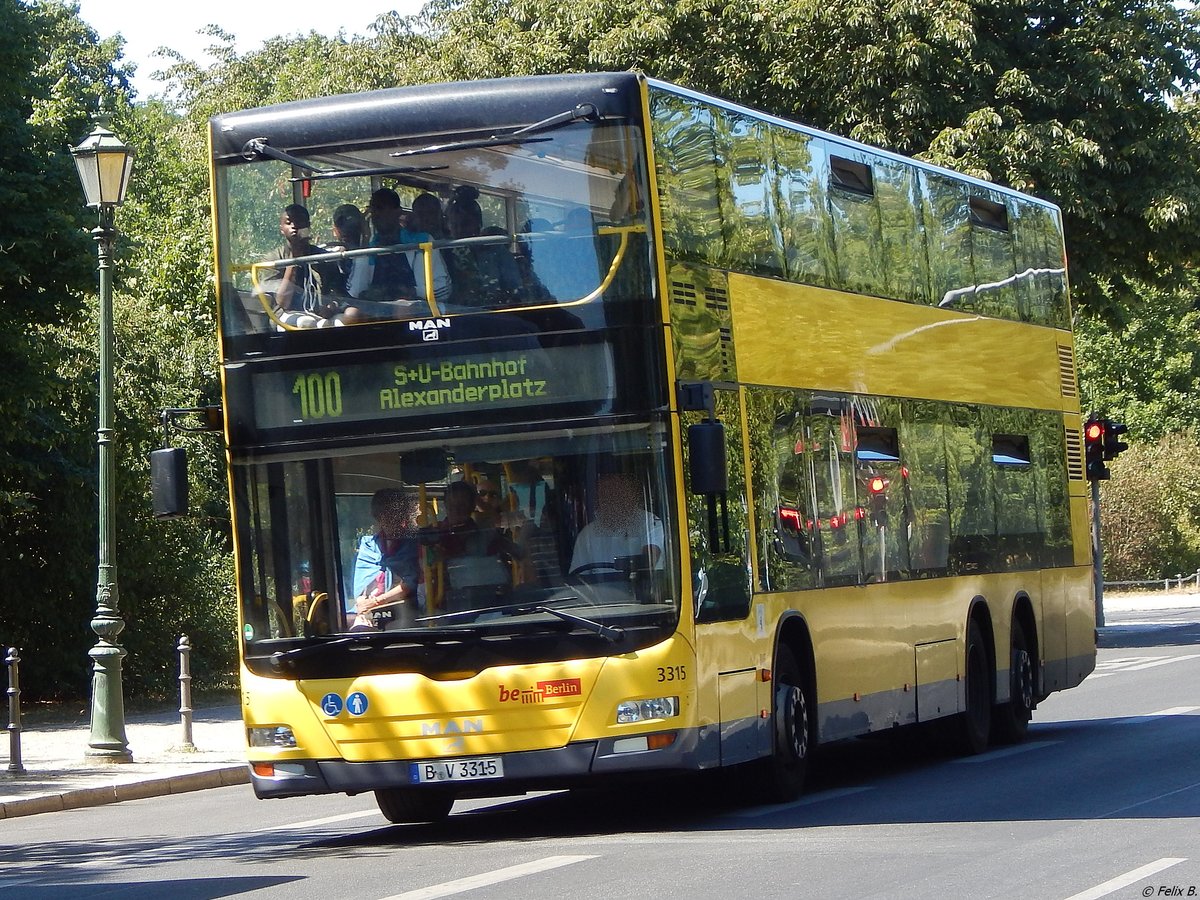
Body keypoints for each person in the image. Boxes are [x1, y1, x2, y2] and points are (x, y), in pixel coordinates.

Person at [259, 204, 350, 328]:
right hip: (284, 315)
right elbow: (282, 302)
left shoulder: (323, 257)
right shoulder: (272, 259)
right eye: (289, 222)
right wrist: (294, 259)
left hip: (321, 312)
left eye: (299, 222)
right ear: (281, 228)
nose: (294, 226)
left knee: (349, 318)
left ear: (308, 226)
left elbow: (339, 291)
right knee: (306, 323)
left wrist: (332, 305)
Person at [350, 489, 421, 630]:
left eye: (396, 513)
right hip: (369, 607)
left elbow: (409, 583)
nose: (391, 518)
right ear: (378, 517)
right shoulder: (368, 544)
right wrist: (362, 603)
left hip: (403, 607)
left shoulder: (412, 542)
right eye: (385, 514)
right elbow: (361, 584)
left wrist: (375, 602)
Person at [570, 473, 664, 574]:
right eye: (605, 495)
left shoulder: (649, 522)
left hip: (643, 588)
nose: (612, 500)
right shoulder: (588, 534)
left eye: (617, 493)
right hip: (599, 589)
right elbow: (578, 577)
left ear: (630, 495)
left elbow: (650, 560)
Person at [445, 186, 522, 307]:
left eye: (465, 224)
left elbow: (514, 287)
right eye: (454, 224)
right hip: (461, 313)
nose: (460, 229)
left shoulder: (496, 250)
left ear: (478, 223)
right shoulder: (445, 252)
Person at [363, 188, 418, 301]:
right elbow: (355, 291)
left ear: (397, 212)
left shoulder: (420, 241)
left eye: (380, 208)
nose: (375, 214)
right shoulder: (371, 246)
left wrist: (408, 291)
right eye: (372, 209)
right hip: (378, 312)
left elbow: (441, 288)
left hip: (419, 309)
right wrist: (364, 240)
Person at [328, 203, 371, 299]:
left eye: (353, 225)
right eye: (341, 224)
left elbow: (356, 293)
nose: (346, 230)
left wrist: (365, 240)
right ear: (335, 229)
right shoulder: (330, 255)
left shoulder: (374, 254)